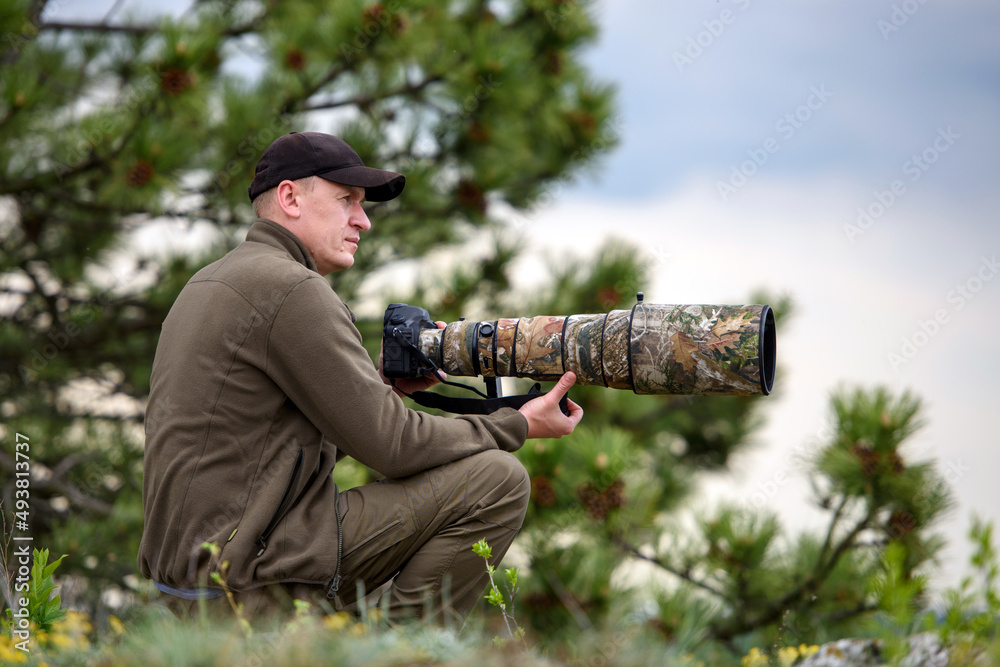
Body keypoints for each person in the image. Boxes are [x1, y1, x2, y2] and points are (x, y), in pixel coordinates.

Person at [137, 131, 583, 626]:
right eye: (346, 200)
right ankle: (404, 657)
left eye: (363, 205)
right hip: (246, 581)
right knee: (497, 481)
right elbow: (394, 447)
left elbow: (270, 445)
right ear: (289, 198)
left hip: (188, 584)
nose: (363, 221)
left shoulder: (210, 282)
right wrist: (517, 424)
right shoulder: (292, 289)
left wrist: (381, 389)